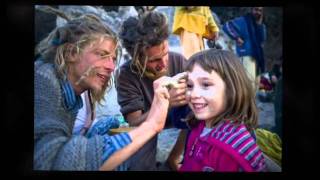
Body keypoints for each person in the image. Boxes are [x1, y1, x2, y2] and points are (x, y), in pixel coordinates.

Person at [34, 13, 171, 171]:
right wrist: (152, 124)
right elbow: (49, 159)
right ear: (71, 53)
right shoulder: (42, 81)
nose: (111, 67)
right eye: (102, 55)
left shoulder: (74, 92)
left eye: (113, 59)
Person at [117, 11, 190, 170]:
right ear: (136, 58)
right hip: (147, 125)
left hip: (181, 123)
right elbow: (134, 122)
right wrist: (165, 102)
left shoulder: (177, 60)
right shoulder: (127, 75)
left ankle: (174, 159)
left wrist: (175, 156)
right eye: (154, 60)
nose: (163, 64)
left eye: (165, 54)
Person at [179, 49, 267, 172]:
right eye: (189, 85)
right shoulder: (198, 127)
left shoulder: (233, 150)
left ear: (231, 89)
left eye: (205, 85)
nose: (193, 94)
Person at [222, 7, 266, 89]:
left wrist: (259, 25)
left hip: (258, 57)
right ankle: (244, 101)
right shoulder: (243, 20)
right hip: (246, 54)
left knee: (256, 84)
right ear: (251, 10)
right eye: (256, 9)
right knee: (248, 82)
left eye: (260, 10)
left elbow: (262, 39)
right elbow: (227, 26)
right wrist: (237, 37)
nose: (258, 12)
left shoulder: (261, 25)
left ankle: (251, 101)